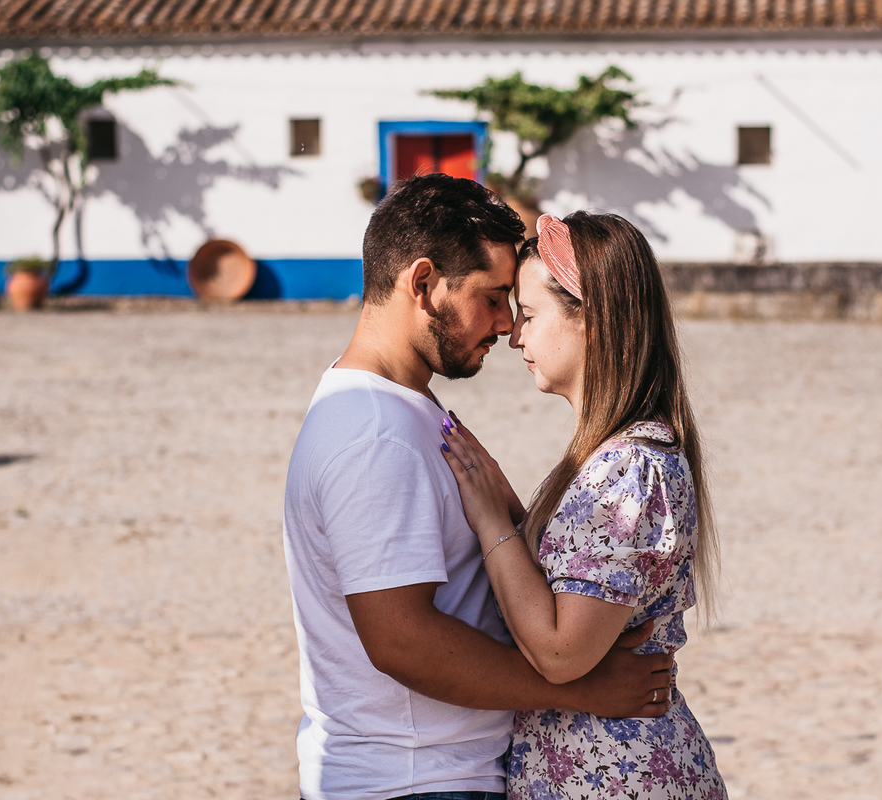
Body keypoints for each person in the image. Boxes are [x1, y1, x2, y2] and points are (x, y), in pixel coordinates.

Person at [281, 176, 675, 800]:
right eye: (492, 298)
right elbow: (401, 640)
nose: (503, 325)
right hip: (414, 780)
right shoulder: (374, 432)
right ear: (422, 284)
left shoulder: (401, 407)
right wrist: (579, 688)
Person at [439, 211, 728, 799]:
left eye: (529, 314)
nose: (515, 336)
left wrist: (494, 524)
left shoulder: (630, 468)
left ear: (590, 319)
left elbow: (560, 650)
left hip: (617, 778)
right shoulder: (611, 456)